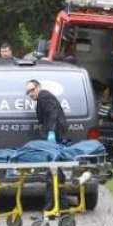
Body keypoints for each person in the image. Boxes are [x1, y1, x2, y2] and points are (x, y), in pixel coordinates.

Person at [25, 79, 72, 211]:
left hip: (56, 137)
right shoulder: (42, 97)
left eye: (32, 90)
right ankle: (61, 204)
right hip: (56, 136)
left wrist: (51, 132)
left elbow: (53, 113)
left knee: (52, 172)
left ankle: (51, 206)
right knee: (56, 172)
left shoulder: (44, 95)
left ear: (38, 87)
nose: (30, 94)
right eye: (28, 92)